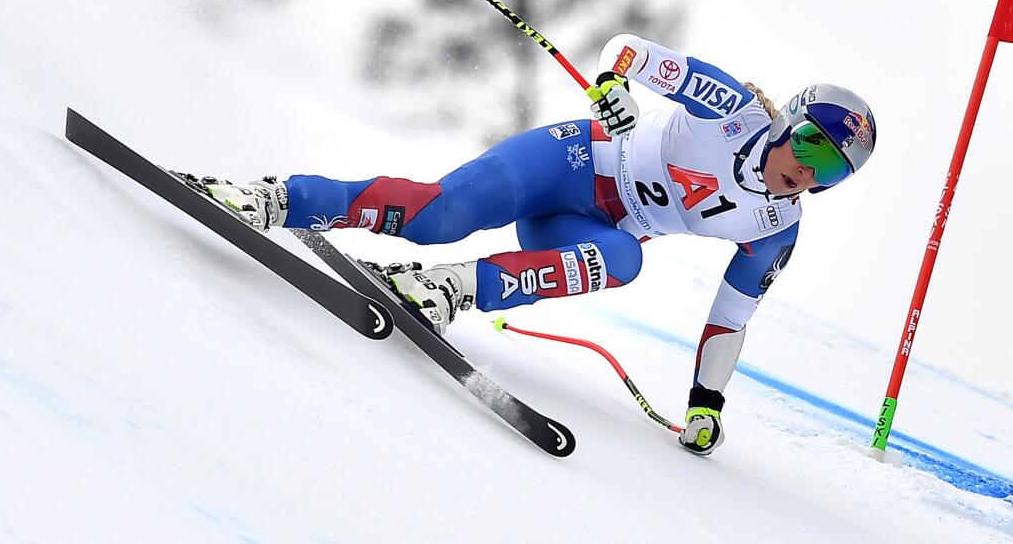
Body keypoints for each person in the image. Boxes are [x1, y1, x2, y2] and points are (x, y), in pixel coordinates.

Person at [197, 33, 877, 456]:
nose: (809, 172)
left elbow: (732, 315)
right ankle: (274, 198)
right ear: (789, 119)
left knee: (626, 259)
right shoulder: (731, 109)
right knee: (438, 214)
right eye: (813, 143)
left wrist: (706, 405)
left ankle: (445, 288)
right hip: (571, 161)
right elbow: (631, 50)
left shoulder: (776, 228)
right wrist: (611, 86)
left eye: (833, 171)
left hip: (589, 232)